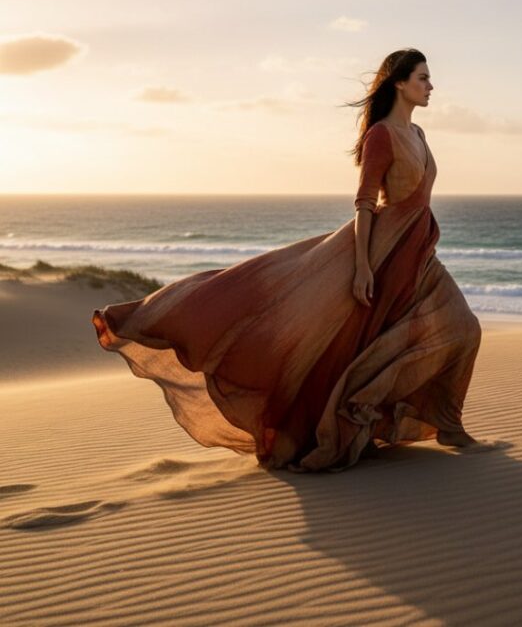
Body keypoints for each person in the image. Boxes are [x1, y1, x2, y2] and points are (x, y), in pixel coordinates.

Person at [91, 47, 500, 473]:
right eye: (423, 78)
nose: (431, 86)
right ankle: (426, 423)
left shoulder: (418, 135)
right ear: (400, 82)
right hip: (386, 252)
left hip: (419, 250)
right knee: (382, 339)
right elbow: (364, 203)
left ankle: (446, 423)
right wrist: (361, 267)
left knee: (462, 329)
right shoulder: (382, 134)